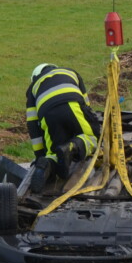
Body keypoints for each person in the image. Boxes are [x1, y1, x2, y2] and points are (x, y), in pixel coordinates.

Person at [26, 63, 101, 191]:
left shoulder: (33, 87)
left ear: (35, 76)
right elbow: (86, 106)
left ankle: (48, 163)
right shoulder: (70, 72)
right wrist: (94, 128)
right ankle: (72, 147)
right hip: (72, 106)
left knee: (53, 153)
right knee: (91, 138)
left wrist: (39, 156)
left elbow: (33, 126)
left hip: (48, 116)